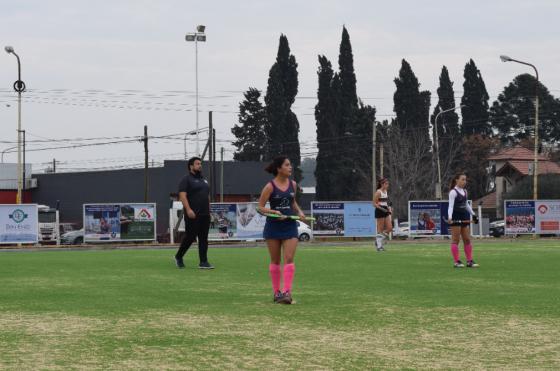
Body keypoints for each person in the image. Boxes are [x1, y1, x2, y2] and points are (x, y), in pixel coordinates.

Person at [258, 156, 306, 304]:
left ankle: (287, 293)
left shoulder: (293, 184)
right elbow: (260, 208)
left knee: (289, 258)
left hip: (290, 225)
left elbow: (292, 202)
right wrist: (273, 212)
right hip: (273, 226)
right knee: (275, 260)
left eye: (290, 165)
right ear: (279, 168)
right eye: (287, 165)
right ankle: (277, 292)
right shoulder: (270, 186)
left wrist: (299, 212)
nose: (290, 167)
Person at [174, 157, 214, 269]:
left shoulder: (204, 180)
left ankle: (203, 262)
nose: (200, 165)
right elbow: (182, 196)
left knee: (203, 238)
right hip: (193, 214)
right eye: (197, 164)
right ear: (191, 166)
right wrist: (188, 210)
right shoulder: (186, 179)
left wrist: (209, 211)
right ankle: (178, 256)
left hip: (205, 215)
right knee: (190, 237)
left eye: (200, 163)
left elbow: (207, 197)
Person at [448, 172, 479, 268]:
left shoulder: (465, 191)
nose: (464, 181)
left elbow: (466, 205)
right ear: (457, 180)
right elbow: (451, 206)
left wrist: (473, 215)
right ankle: (456, 261)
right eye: (462, 179)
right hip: (455, 217)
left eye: (465, 179)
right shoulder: (453, 192)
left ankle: (469, 261)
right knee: (456, 240)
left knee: (467, 239)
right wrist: (450, 217)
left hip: (464, 217)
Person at [373, 177, 393, 251]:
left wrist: (389, 208)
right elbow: (374, 204)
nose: (387, 185)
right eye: (386, 184)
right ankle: (379, 247)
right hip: (379, 210)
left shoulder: (386, 191)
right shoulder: (378, 192)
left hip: (385, 210)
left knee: (390, 228)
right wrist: (382, 209)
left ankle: (378, 240)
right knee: (380, 229)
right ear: (382, 184)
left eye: (388, 184)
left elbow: (386, 202)